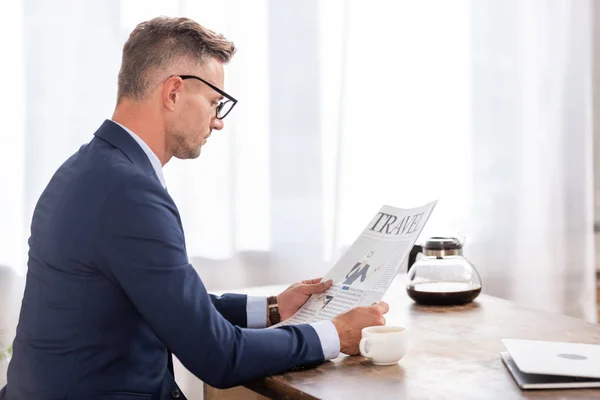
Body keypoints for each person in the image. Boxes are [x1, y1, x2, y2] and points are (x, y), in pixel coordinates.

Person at [0, 17, 389, 399]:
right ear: (173, 93)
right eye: (214, 103)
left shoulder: (87, 170)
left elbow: (171, 300)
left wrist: (273, 308)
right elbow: (219, 356)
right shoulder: (129, 192)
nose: (218, 122)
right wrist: (335, 335)